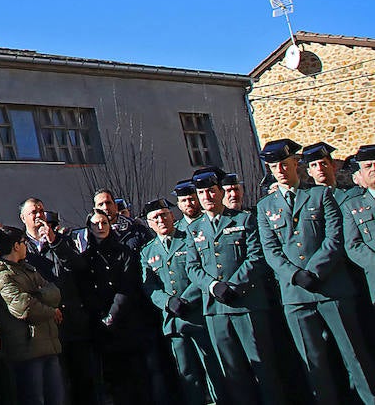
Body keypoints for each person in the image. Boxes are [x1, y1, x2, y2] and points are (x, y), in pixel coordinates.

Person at [255, 138, 375, 405]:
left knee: (354, 355)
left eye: (285, 165)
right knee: (315, 362)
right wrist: (295, 275)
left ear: (296, 164)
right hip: (295, 295)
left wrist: (315, 269)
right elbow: (270, 250)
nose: (281, 171)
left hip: (332, 288)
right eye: (275, 167)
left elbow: (334, 238)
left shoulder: (320, 195)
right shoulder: (265, 208)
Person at [190, 165, 284, 405]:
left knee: (263, 367)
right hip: (216, 310)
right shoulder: (193, 229)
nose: (207, 197)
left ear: (220, 192)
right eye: (202, 194)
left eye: (211, 191)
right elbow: (192, 267)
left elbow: (256, 256)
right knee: (233, 372)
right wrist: (213, 286)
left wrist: (234, 286)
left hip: (247, 304)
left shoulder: (244, 219)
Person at [138, 198, 224, 405]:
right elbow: (149, 286)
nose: (160, 220)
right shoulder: (147, 251)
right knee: (186, 373)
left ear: (172, 216)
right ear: (149, 223)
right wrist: (168, 302)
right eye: (155, 218)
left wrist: (186, 299)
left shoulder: (190, 239)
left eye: (164, 215)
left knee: (212, 367)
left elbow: (201, 271)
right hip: (174, 321)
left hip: (198, 314)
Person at [17, 198, 94, 405]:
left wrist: (54, 242)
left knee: (84, 381)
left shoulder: (61, 240)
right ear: (23, 218)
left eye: (41, 210)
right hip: (46, 324)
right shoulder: (21, 248)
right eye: (33, 212)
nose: (39, 215)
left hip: (73, 321)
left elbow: (78, 266)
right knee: (57, 386)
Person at [77, 210, 152, 405]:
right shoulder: (87, 257)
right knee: (113, 378)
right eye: (95, 224)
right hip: (101, 326)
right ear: (89, 228)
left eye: (104, 223)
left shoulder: (124, 252)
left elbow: (127, 285)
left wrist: (112, 315)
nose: (100, 227)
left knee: (137, 376)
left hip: (126, 321)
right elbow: (85, 290)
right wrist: (101, 317)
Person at [0, 225, 63, 405]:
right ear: (15, 246)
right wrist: (50, 310)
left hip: (48, 343)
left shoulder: (28, 269)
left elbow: (54, 292)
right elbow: (23, 307)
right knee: (34, 398)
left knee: (56, 397)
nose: (25, 246)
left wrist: (37, 296)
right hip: (26, 347)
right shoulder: (2, 275)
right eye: (23, 242)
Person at [343, 145, 375, 299]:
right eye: (368, 166)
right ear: (361, 174)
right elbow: (353, 245)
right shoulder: (353, 206)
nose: (373, 169)